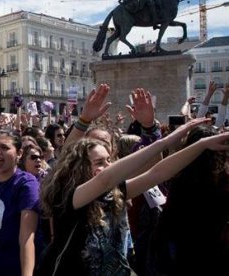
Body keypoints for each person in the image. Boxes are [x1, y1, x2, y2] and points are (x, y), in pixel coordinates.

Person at [38, 88, 229, 275]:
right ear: (80, 167)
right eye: (98, 162)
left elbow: (158, 173)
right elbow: (104, 178)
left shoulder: (115, 192)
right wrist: (165, 141)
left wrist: (201, 145)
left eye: (108, 160)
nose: (106, 166)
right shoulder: (72, 195)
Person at [153, 124, 229, 276]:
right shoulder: (222, 180)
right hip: (213, 250)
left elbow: (168, 218)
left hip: (181, 248)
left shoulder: (177, 175)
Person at [0, 131, 41, 276]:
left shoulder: (26, 184)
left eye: (5, 148)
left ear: (19, 153)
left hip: (14, 268)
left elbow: (27, 237)